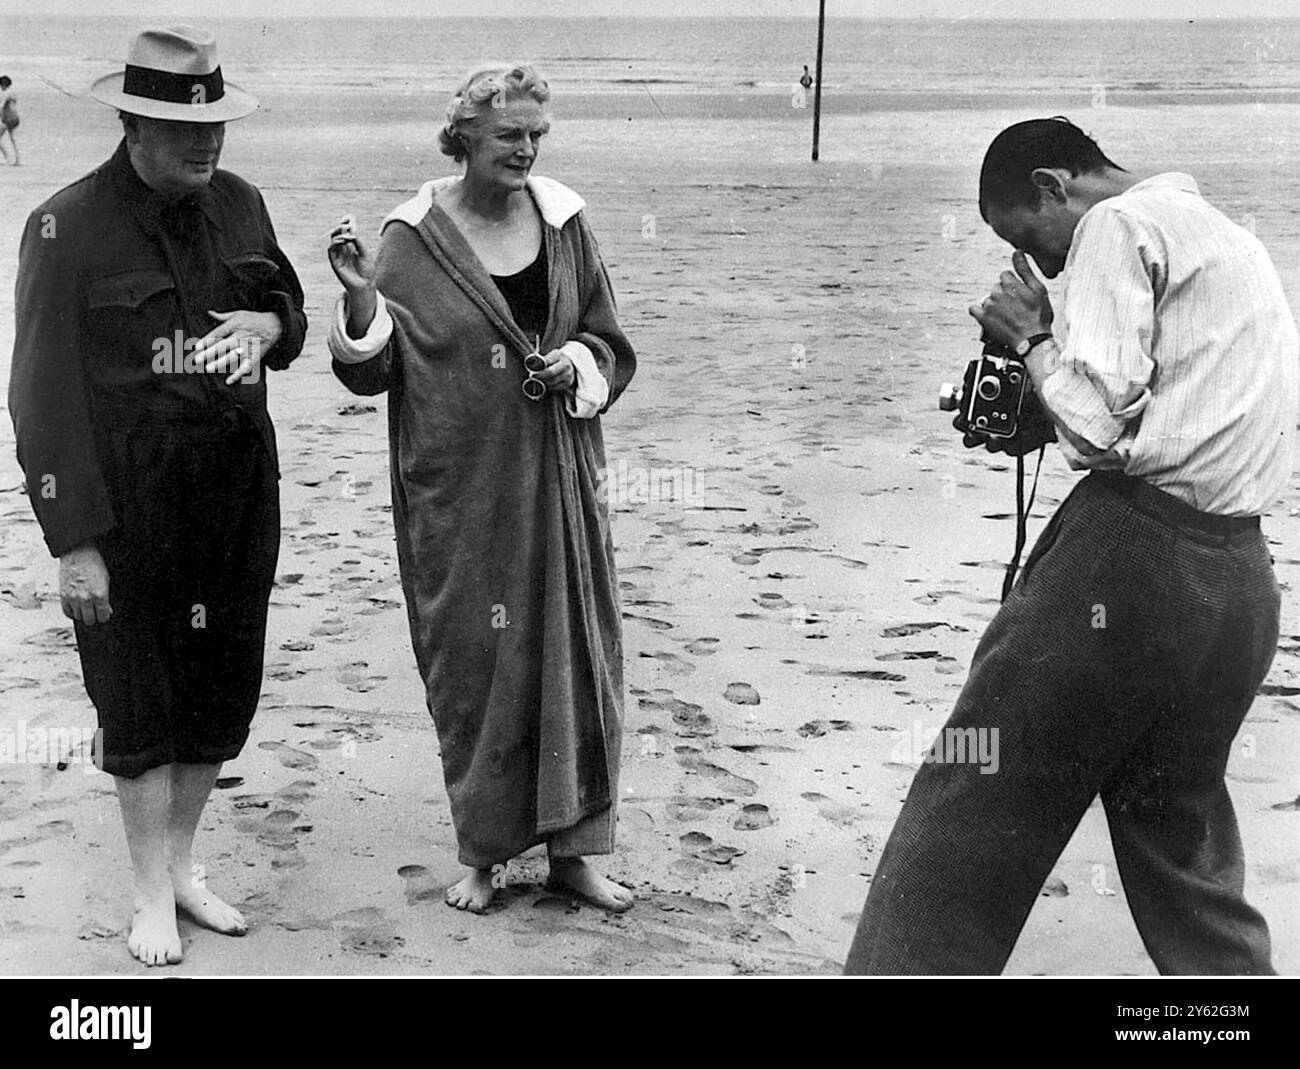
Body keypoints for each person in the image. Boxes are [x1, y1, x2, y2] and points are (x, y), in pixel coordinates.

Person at [845, 117, 1297, 975]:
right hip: (1240, 579)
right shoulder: (1224, 235)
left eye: (1032, 240)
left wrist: (1032, 339)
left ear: (1056, 187)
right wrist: (1045, 390)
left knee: (972, 796)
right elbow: (1170, 411)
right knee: (1178, 835)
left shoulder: (1115, 225)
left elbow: (1095, 426)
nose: (1047, 267)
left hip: (1133, 562)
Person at [9, 26, 307, 966]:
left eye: (217, 124)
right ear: (134, 122)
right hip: (127, 507)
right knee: (137, 703)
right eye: (187, 129)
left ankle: (182, 867)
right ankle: (147, 895)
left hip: (235, 492)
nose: (208, 144)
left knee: (221, 691)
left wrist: (269, 321)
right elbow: (39, 396)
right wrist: (74, 542)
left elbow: (288, 312)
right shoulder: (65, 226)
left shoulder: (242, 204)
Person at [327, 64, 636, 915]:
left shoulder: (567, 223)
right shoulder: (414, 237)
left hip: (562, 481)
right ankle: (484, 854)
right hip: (460, 491)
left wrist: (577, 364)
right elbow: (375, 368)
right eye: (509, 136)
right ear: (463, 137)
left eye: (538, 134)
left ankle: (575, 853)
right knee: (475, 664)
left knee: (578, 656)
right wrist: (360, 304)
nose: (527, 149)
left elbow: (611, 342)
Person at [0, 76, 19, 165]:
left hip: (8, 118)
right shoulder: (13, 93)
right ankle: (17, 159)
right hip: (16, 117)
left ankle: (7, 158)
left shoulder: (5, 93)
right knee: (13, 138)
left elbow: (1, 106)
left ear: (3, 85)